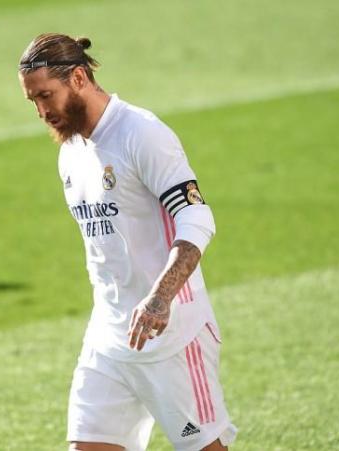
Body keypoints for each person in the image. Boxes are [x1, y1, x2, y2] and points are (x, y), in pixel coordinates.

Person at [17, 33, 238, 451]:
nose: (42, 111)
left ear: (78, 78)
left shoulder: (142, 133)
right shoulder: (71, 152)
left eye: (46, 96)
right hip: (109, 340)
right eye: (33, 101)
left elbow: (196, 216)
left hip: (172, 337)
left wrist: (160, 297)